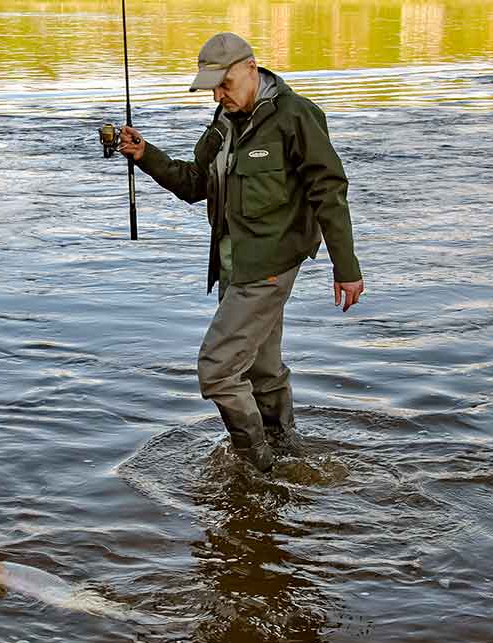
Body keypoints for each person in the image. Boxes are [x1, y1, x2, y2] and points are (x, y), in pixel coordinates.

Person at [118, 32, 364, 472]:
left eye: (224, 83)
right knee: (261, 371)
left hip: (269, 268)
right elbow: (195, 183)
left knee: (216, 369)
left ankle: (257, 466)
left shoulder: (296, 116)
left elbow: (329, 192)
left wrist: (345, 267)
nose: (217, 94)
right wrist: (145, 155)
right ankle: (287, 452)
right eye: (211, 86)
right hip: (231, 265)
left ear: (251, 68)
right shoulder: (223, 121)